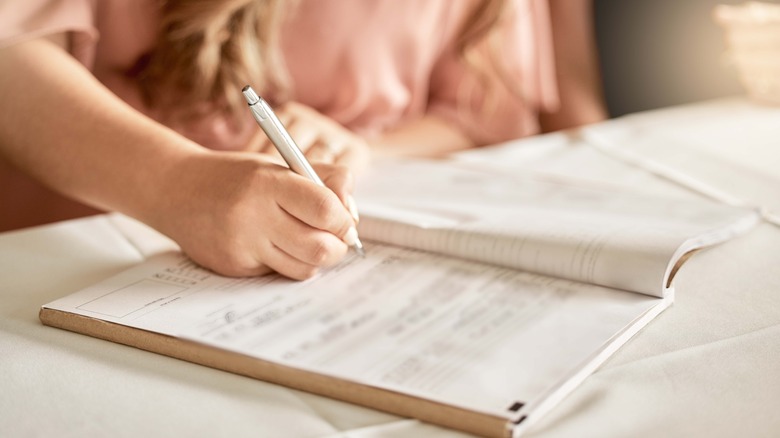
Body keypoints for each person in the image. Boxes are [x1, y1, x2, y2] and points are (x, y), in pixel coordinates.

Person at [0, 0, 605, 278]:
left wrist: (361, 146)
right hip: (87, 237)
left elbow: (482, 116)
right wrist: (177, 183)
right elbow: (13, 63)